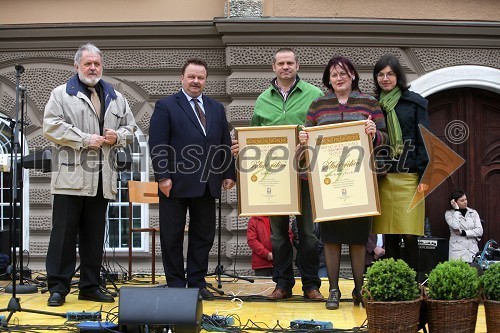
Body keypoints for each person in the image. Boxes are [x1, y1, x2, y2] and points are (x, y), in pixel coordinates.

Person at [43, 43, 136, 307]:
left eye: (97, 63)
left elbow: (131, 128)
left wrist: (118, 135)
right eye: (88, 64)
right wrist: (84, 139)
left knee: (94, 236)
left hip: (102, 179)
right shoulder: (61, 94)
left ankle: (90, 286)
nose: (93, 68)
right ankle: (58, 288)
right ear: (77, 66)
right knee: (63, 236)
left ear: (101, 66)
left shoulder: (116, 97)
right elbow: (51, 126)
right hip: (70, 180)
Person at [232, 48, 324, 301]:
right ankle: (282, 284)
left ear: (297, 65)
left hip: (305, 174)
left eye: (290, 63)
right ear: (274, 67)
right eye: (281, 63)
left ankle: (311, 285)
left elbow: (322, 131)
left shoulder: (314, 94)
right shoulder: (263, 100)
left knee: (308, 234)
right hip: (274, 178)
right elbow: (253, 137)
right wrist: (242, 147)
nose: (286, 67)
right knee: (278, 235)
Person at [298, 55, 388, 310]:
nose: (339, 78)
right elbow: (307, 139)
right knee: (331, 238)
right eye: (335, 74)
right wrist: (304, 138)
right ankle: (334, 290)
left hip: (361, 181)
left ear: (353, 76)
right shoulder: (318, 105)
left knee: (359, 238)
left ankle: (360, 290)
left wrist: (375, 134)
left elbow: (386, 139)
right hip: (328, 184)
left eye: (344, 74)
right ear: (328, 78)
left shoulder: (369, 103)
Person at [148, 58, 236, 300]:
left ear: (205, 80)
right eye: (191, 77)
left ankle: (197, 282)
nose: (196, 81)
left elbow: (224, 143)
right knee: (172, 236)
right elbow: (157, 144)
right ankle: (176, 284)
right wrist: (162, 176)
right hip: (174, 184)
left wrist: (229, 173)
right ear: (182, 78)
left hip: (208, 183)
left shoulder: (216, 108)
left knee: (204, 236)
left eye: (200, 77)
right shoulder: (166, 106)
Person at [371, 54, 431, 275]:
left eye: (390, 74)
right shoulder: (374, 106)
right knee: (390, 234)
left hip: (410, 177)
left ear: (398, 76)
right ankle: (395, 283)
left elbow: (424, 139)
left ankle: (413, 283)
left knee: (410, 234)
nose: (385, 79)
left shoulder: (415, 102)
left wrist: (425, 176)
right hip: (384, 178)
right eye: (380, 74)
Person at [445, 190, 483, 262]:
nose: (465, 202)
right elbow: (455, 226)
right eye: (462, 200)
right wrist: (456, 210)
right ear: (454, 202)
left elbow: (479, 231)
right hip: (457, 251)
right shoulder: (449, 214)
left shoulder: (473, 212)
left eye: (466, 199)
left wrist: (463, 233)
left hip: (472, 250)